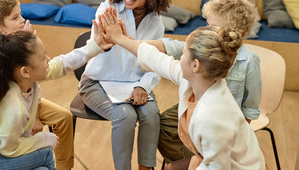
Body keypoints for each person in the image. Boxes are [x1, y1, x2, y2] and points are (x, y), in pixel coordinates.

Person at [99, 12, 265, 169]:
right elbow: (159, 60)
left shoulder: (213, 117)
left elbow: (216, 168)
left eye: (183, 54)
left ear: (195, 65)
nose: (179, 58)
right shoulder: (200, 80)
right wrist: (121, 39)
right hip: (212, 160)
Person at [0, 19, 111, 169]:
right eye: (42, 57)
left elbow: (62, 64)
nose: (48, 60)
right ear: (26, 71)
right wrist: (46, 139)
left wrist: (94, 46)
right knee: (46, 153)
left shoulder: (23, 76)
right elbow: (10, 151)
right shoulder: (11, 105)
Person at [78, 0, 171, 170]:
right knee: (125, 116)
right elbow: (98, 45)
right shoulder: (107, 9)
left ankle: (145, 168)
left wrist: (142, 86)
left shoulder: (156, 20)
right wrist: (108, 40)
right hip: (98, 84)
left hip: (136, 84)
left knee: (151, 115)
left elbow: (156, 63)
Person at [0, 0, 73, 169]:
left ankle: (65, 166)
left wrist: (29, 46)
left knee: (64, 117)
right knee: (29, 134)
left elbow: (33, 85)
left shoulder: (19, 45)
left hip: (28, 99)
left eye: (20, 15)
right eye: (15, 18)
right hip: (7, 106)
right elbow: (16, 96)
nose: (22, 20)